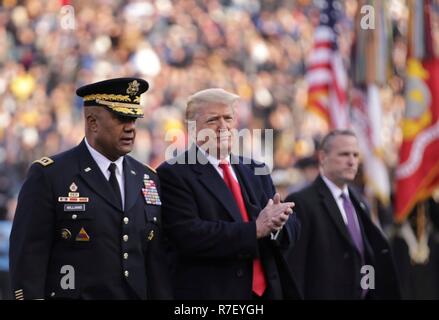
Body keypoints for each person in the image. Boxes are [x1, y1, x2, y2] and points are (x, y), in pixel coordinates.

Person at [9, 78, 172, 300]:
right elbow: (28, 258)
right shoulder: (50, 175)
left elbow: (155, 263)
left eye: (133, 119)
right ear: (92, 122)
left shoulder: (147, 178)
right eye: (121, 118)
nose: (130, 127)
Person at [157, 88, 301, 300]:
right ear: (193, 128)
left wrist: (277, 225)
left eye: (228, 118)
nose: (222, 126)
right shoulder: (174, 173)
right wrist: (255, 229)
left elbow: (291, 227)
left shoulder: (256, 169)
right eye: (213, 120)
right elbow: (189, 235)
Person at [284, 129, 400, 299]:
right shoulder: (302, 202)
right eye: (344, 154)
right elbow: (295, 269)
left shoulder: (359, 203)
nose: (352, 161)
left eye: (355, 155)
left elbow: (365, 259)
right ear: (323, 157)